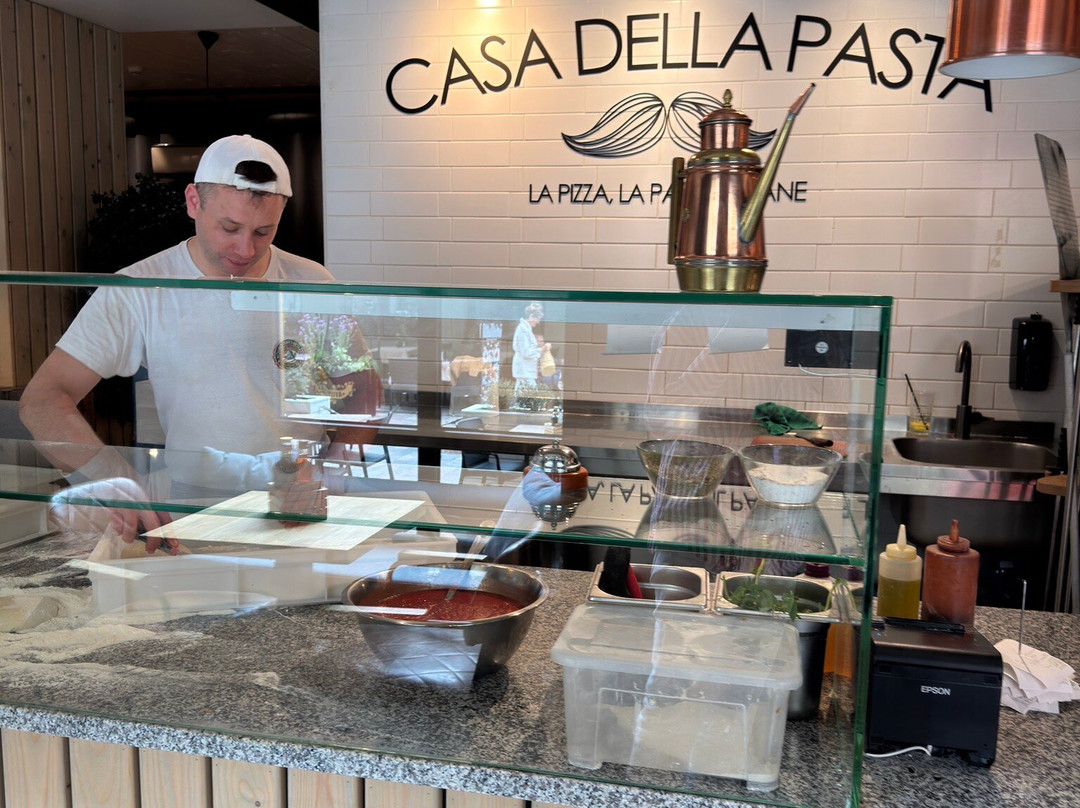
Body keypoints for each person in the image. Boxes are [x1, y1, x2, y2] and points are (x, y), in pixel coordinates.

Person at [19, 134, 358, 550]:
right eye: (229, 228)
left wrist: (334, 469)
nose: (245, 248)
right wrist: (118, 483)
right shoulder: (139, 288)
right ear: (194, 202)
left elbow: (363, 390)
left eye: (263, 231)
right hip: (191, 508)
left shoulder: (313, 283)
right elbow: (43, 401)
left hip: (300, 502)